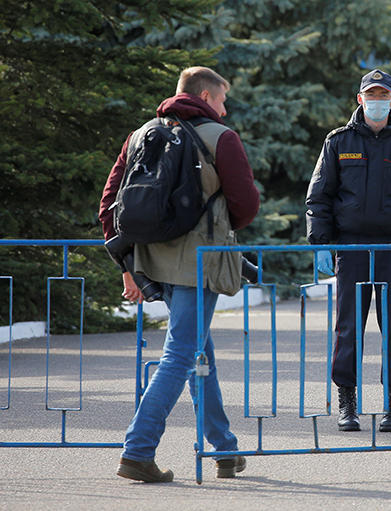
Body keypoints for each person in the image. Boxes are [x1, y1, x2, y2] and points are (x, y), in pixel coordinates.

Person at [99, 66, 260, 482]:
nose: (225, 109)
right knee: (180, 356)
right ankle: (137, 451)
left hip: (153, 261)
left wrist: (128, 266)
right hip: (199, 261)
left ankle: (224, 449)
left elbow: (110, 205)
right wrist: (220, 225)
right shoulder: (221, 138)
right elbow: (246, 203)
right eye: (222, 100)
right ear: (206, 97)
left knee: (196, 350)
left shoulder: (140, 135)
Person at [305, 69, 391, 433]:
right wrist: (321, 243)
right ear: (359, 99)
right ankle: (347, 403)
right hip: (351, 249)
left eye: (384, 94)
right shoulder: (338, 141)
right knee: (349, 328)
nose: (377, 100)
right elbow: (319, 196)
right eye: (371, 94)